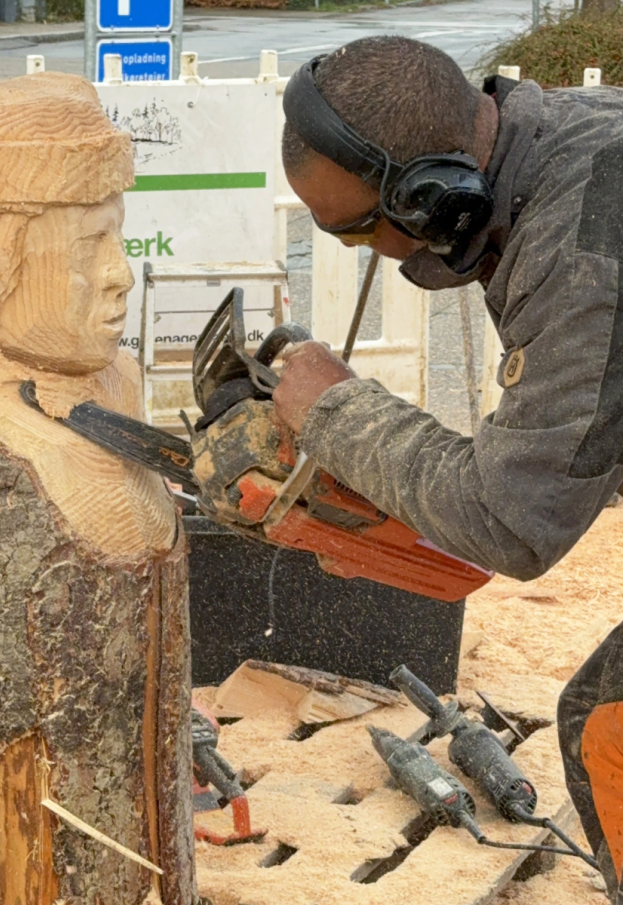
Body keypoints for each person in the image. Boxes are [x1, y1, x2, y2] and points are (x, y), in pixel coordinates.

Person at [273, 36, 623, 902]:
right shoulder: (559, 144)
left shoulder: (583, 245)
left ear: (436, 197)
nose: (362, 253)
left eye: (359, 229)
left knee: (611, 731)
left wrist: (338, 413)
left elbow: (516, 520)